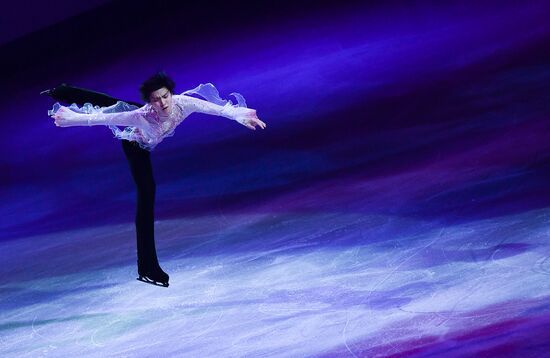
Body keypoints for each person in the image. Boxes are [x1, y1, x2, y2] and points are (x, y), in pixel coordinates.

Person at [47, 72, 266, 287]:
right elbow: (99, 118)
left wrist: (242, 116)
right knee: (147, 190)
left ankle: (64, 90)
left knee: (112, 102)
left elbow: (217, 110)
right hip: (136, 145)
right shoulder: (141, 116)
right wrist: (71, 119)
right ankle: (147, 266)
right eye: (155, 100)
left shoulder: (183, 103)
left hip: (142, 125)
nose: (162, 103)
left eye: (165, 96)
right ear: (150, 103)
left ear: (171, 94)